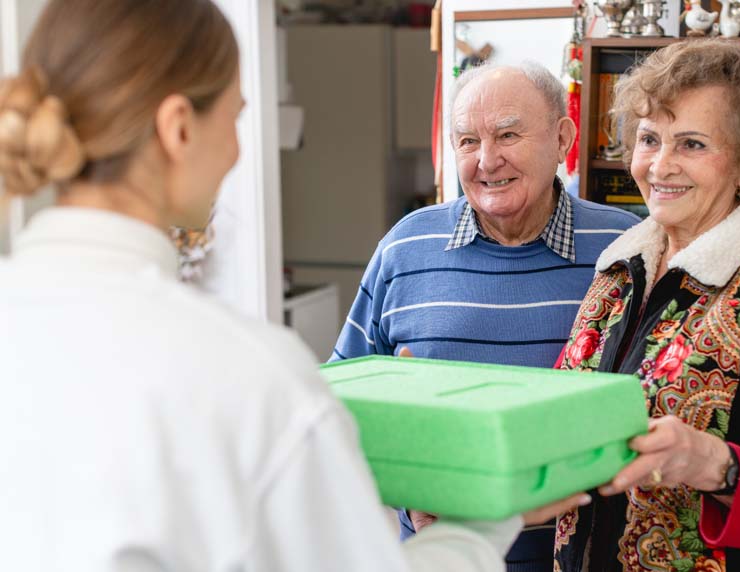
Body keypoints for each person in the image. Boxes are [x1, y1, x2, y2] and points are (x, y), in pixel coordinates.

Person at [0, 2, 588, 571]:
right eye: (235, 117)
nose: (237, 150)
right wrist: (485, 522)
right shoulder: (243, 369)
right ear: (179, 128)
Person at [552, 40, 740, 571]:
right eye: (649, 139)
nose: (659, 165)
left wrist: (711, 463)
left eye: (691, 144)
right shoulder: (620, 270)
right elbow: (564, 443)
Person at [331, 62, 640, 572]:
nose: (486, 160)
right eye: (467, 141)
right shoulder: (406, 247)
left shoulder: (623, 249)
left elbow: (654, 405)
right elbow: (337, 413)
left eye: (508, 134)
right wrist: (406, 487)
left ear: (562, 137)